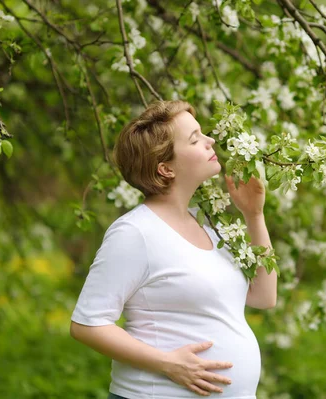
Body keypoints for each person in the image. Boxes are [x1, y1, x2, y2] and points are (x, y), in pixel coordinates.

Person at [70, 100, 277, 399]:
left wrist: (254, 215)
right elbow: (87, 325)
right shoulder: (135, 233)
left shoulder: (206, 226)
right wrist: (168, 364)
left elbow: (263, 297)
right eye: (195, 139)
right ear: (165, 168)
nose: (211, 141)